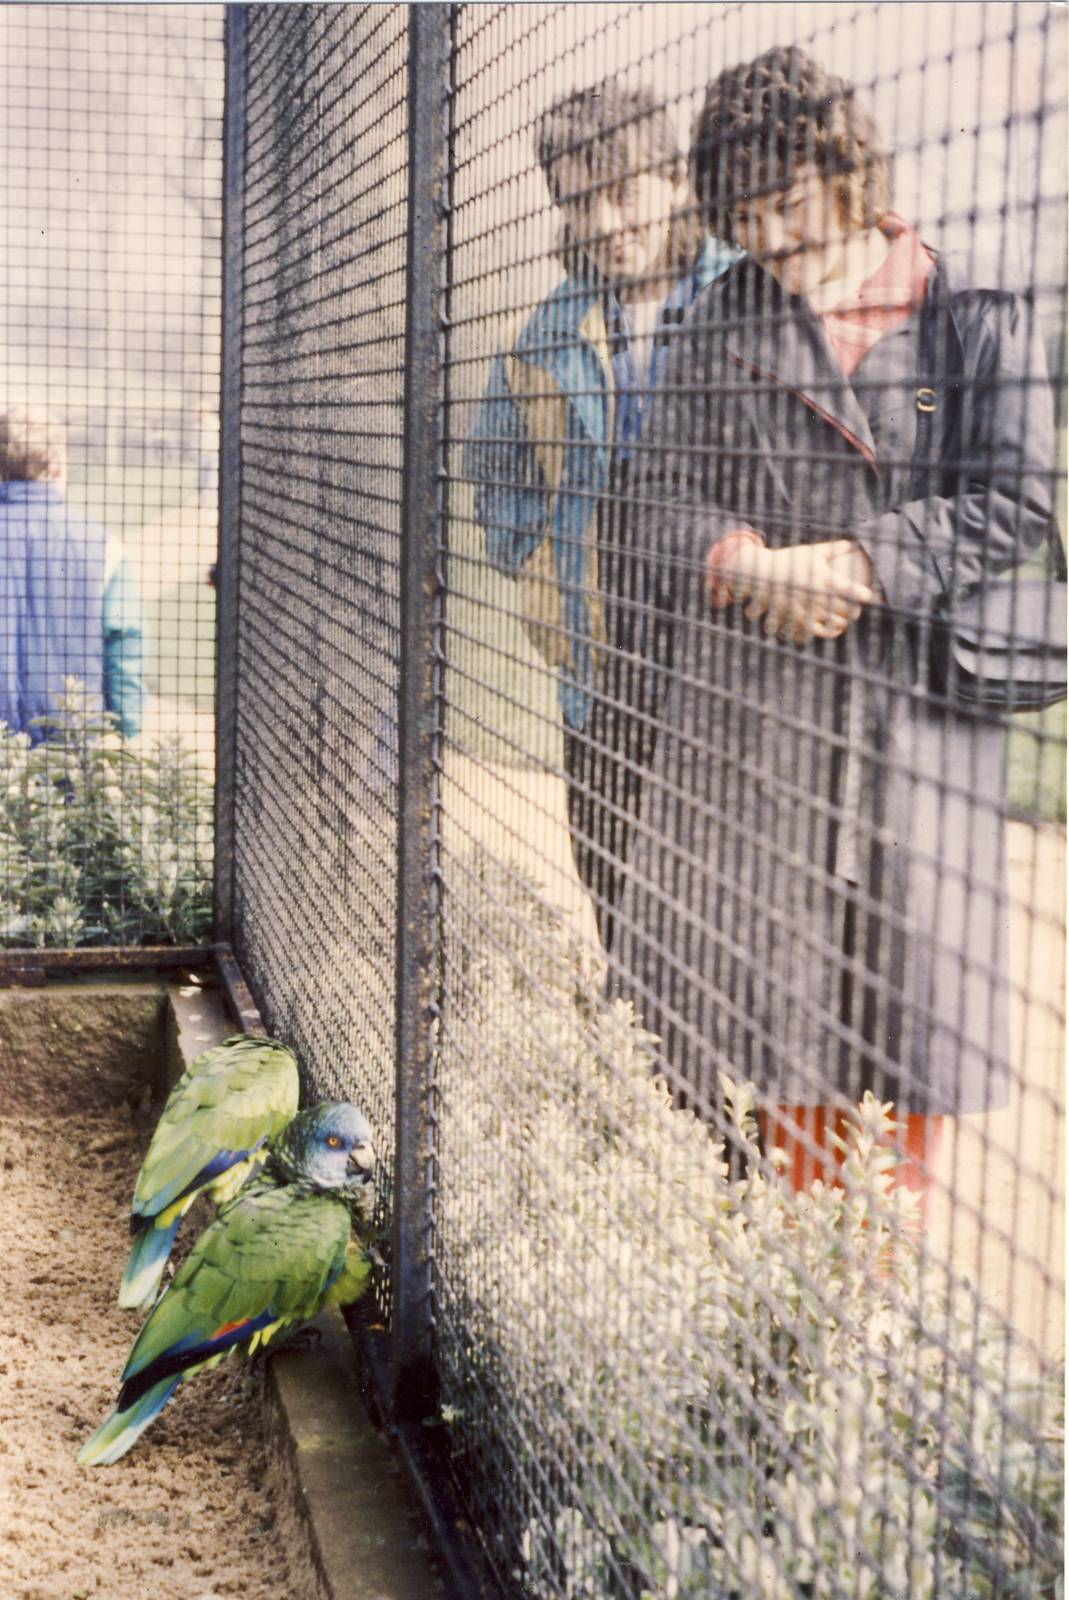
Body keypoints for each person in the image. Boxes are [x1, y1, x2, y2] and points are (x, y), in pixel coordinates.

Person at [617, 45, 1056, 1196]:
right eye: (743, 216)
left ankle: (878, 1288)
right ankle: (798, 1265)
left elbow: (1020, 501)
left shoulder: (975, 308)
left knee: (912, 1019)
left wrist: (864, 561)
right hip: (769, 724)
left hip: (922, 722)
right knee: (782, 1011)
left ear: (841, 162)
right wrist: (749, 562)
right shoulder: (721, 315)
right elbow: (652, 500)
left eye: (788, 204)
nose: (768, 236)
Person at [466, 80, 737, 951]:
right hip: (597, 630)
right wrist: (537, 572)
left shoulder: (744, 296)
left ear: (671, 179)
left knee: (714, 883)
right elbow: (494, 473)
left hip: (715, 616)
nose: (607, 222)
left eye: (622, 193)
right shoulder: (545, 333)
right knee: (607, 855)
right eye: (580, 203)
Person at [0, 405, 146, 740]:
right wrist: (127, 731)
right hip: (71, 742)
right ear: (58, 468)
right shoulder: (103, 545)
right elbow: (123, 645)